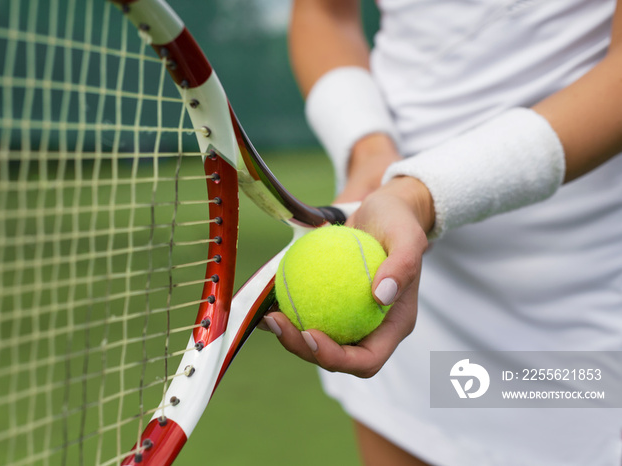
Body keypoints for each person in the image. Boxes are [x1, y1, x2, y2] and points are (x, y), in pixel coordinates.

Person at [260, 0, 622, 464]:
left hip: (574, 292)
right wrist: (367, 146)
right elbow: (323, 14)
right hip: (391, 271)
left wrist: (421, 194)